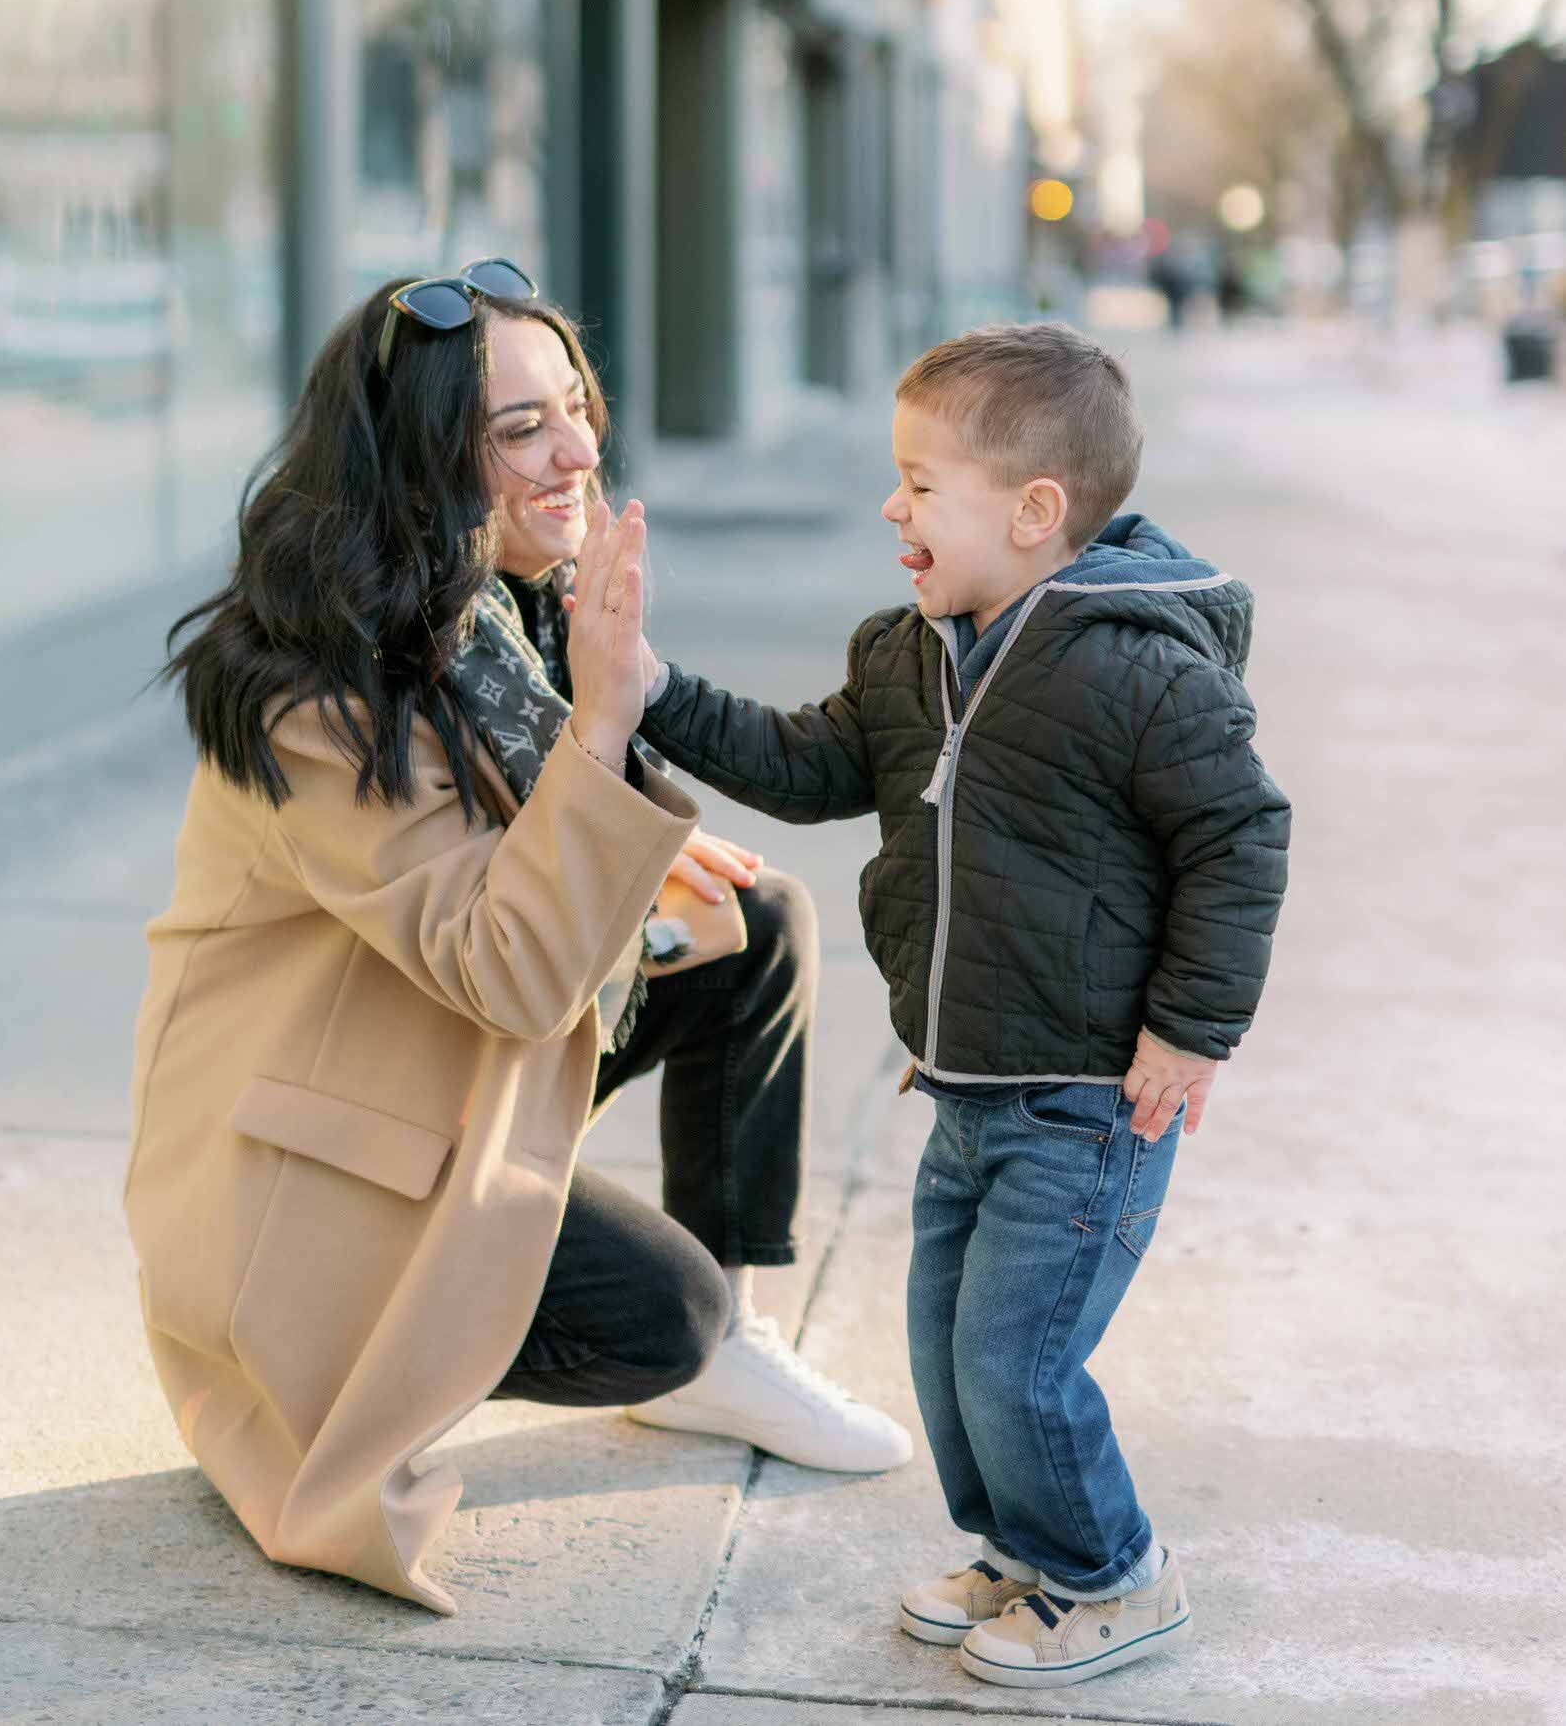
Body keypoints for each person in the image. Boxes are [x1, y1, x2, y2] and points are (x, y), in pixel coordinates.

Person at [126, 262, 908, 1617]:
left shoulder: (484, 612)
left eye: (576, 406)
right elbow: (507, 974)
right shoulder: (316, 692)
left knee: (752, 923)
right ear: (425, 462)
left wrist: (617, 800)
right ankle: (541, 1341)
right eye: (521, 429)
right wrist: (603, 731)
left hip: (425, 1053)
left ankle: (730, 1341)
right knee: (651, 1319)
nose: (578, 449)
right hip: (316, 1167)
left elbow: (537, 873)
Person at [635, 322, 1291, 1692]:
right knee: (947, 1350)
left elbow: (1240, 837)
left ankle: (1116, 1576)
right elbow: (804, 764)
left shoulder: (1135, 670)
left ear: (1034, 511)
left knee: (1018, 1360)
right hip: (967, 1085)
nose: (893, 505)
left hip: (1090, 1098)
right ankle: (1028, 1554)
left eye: (922, 483)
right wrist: (652, 693)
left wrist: (1189, 1027)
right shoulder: (906, 655)